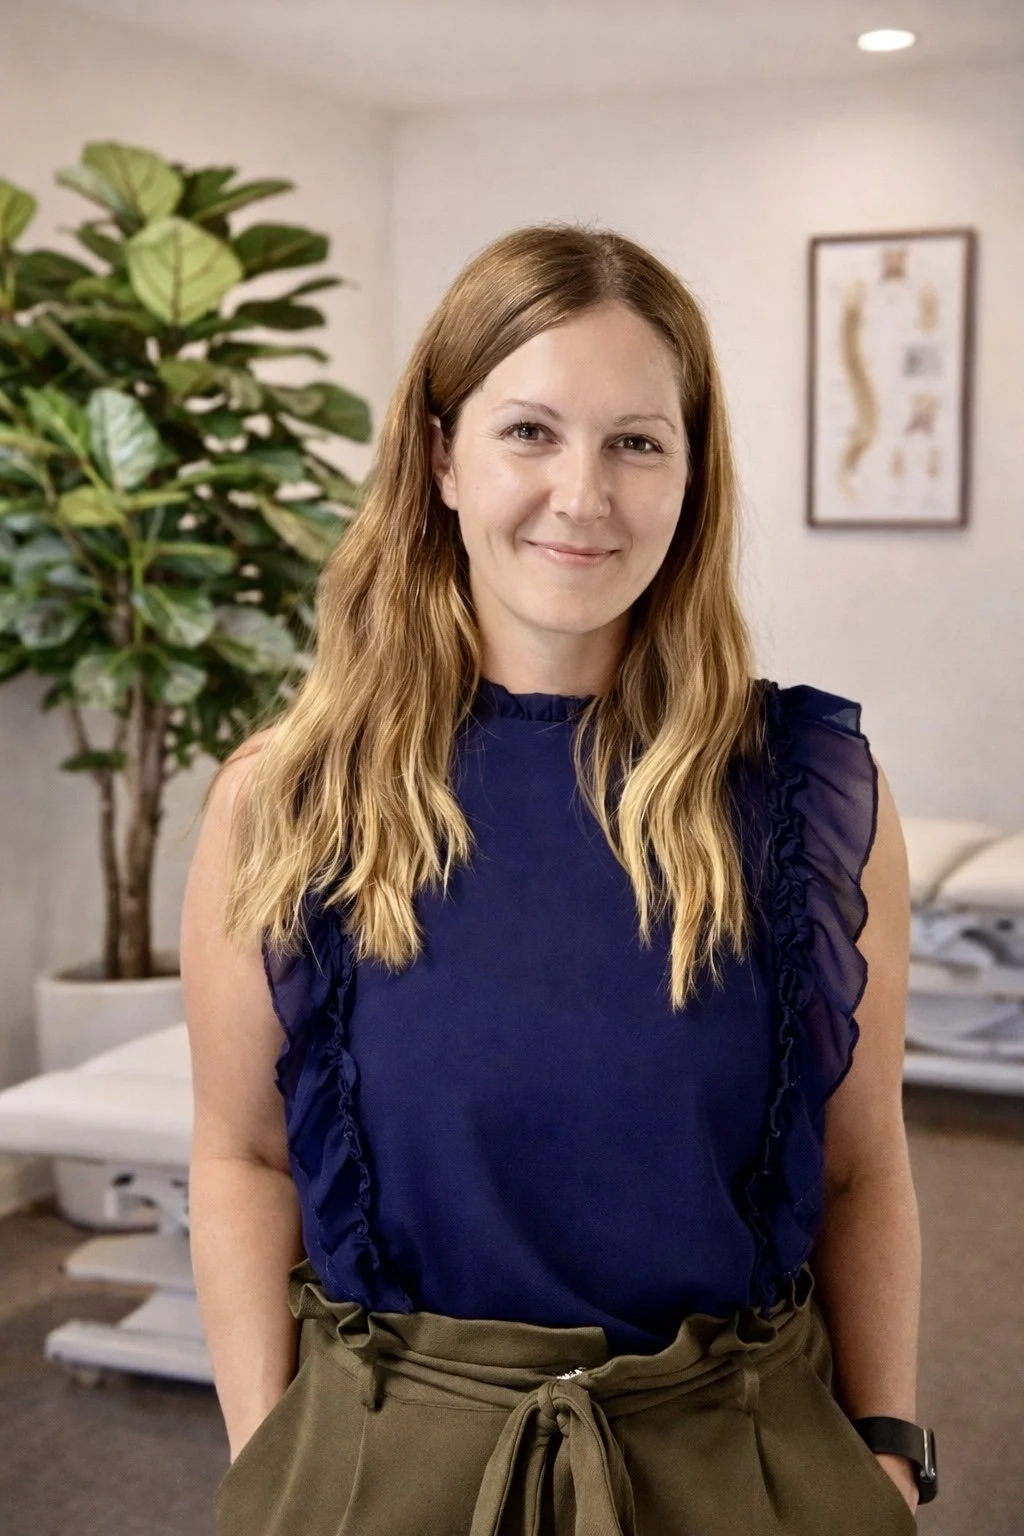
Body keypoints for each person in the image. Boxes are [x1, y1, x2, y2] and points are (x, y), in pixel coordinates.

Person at [181, 222, 932, 1535]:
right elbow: (243, 1156)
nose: (583, 494)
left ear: (692, 475)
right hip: (384, 1471)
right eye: (530, 431)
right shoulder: (287, 795)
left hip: (741, 1465)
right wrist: (272, 1459)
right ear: (441, 456)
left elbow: (864, 1166)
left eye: (637, 442)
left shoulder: (810, 794)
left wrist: (883, 1454)